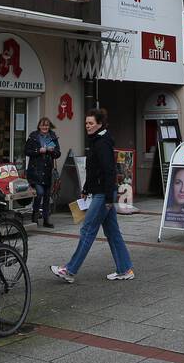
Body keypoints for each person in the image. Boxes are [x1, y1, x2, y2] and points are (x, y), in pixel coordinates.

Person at [51, 109, 134, 283]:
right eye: (86, 123)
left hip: (103, 194)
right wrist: (87, 188)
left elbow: (109, 171)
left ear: (99, 124)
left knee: (87, 229)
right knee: (113, 232)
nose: (87, 126)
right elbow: (94, 169)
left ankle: (70, 270)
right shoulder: (98, 140)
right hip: (101, 192)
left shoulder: (102, 143)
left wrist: (109, 199)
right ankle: (125, 269)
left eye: (90, 123)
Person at [23, 116, 61, 228]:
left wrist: (52, 151)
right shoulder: (33, 136)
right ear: (39, 126)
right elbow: (26, 151)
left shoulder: (52, 137)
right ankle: (35, 214)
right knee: (39, 193)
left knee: (47, 195)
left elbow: (58, 154)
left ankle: (46, 219)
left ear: (49, 127)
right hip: (36, 170)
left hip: (48, 170)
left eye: (47, 125)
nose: (45, 127)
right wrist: (38, 151)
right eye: (43, 125)